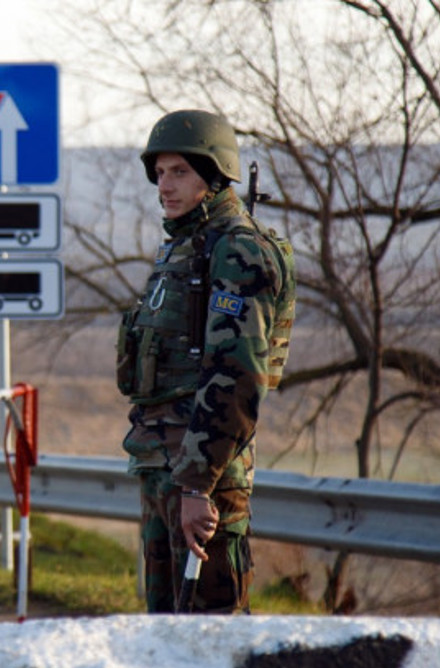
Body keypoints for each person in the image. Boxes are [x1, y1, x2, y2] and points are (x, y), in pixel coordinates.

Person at [116, 109, 297, 614]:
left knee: (212, 637)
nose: (163, 185)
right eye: (160, 172)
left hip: (203, 477)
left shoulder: (238, 251)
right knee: (164, 636)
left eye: (180, 172)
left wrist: (198, 484)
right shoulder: (183, 247)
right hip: (162, 466)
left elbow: (237, 378)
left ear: (214, 176)